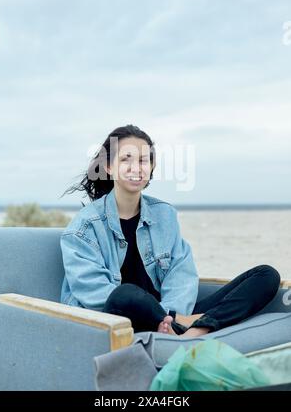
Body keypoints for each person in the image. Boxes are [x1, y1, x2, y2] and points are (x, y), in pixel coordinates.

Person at [59, 124, 281, 337]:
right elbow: (95, 295)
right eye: (126, 159)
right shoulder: (84, 227)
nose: (136, 168)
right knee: (125, 294)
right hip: (119, 320)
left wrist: (171, 315)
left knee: (266, 275)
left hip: (170, 317)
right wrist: (169, 316)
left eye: (143, 160)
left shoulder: (164, 215)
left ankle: (194, 330)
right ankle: (193, 323)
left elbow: (181, 275)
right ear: (109, 166)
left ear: (152, 167)